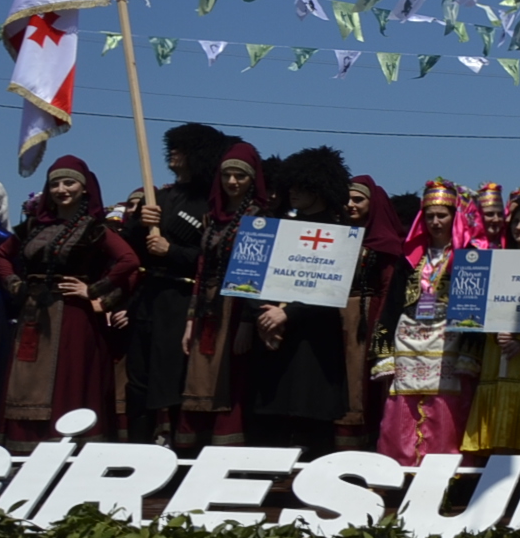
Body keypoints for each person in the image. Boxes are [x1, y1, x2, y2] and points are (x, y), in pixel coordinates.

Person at [0, 156, 139, 449]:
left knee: (68, 380)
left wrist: (93, 290)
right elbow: (0, 256)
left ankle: (66, 448)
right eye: (55, 183)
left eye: (69, 182)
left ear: (84, 188)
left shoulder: (94, 229)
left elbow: (129, 260)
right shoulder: (32, 226)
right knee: (25, 377)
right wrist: (16, 285)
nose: (61, 189)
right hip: (33, 313)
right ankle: (23, 448)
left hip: (73, 316)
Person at [125, 123, 227, 447]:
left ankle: (175, 443)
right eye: (171, 146)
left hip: (182, 297)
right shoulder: (159, 198)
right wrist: (140, 226)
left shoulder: (210, 202)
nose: (172, 153)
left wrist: (174, 251)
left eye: (180, 148)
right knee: (137, 377)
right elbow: (129, 249)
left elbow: (213, 254)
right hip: (147, 297)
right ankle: (137, 445)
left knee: (171, 376)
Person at [249, 146, 355, 457]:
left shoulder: (341, 233)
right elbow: (250, 275)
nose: (292, 191)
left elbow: (332, 288)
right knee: (270, 418)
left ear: (319, 188)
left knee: (312, 417)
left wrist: (288, 314)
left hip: (314, 339)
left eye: (301, 186)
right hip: (271, 335)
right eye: (290, 185)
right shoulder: (276, 227)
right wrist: (263, 314)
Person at [375, 179, 485, 464]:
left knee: (447, 408)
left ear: (454, 216)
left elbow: (476, 308)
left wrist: (470, 351)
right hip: (408, 340)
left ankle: (447, 475)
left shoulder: (468, 258)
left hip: (448, 341)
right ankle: (400, 470)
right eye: (430, 215)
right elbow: (393, 304)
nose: (436, 221)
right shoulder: (410, 258)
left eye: (442, 215)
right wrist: (383, 347)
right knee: (403, 410)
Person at [179, 144, 268, 449]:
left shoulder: (260, 218)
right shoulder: (211, 218)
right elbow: (201, 269)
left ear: (252, 179)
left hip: (237, 307)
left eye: (240, 176)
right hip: (207, 306)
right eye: (227, 175)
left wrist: (247, 321)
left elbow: (256, 273)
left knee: (232, 378)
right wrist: (191, 319)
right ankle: (194, 445)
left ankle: (228, 445)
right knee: (200, 373)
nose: (233, 182)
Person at [340, 174, 409, 450]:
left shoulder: (386, 244)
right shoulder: (337, 237)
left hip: (367, 322)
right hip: (337, 320)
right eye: (347, 199)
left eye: (358, 199)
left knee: (362, 384)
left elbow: (387, 291)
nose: (350, 205)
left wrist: (380, 339)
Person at [475, 183, 509, 249]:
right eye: (490, 214)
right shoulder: (467, 245)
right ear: (478, 216)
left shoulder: (510, 244)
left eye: (500, 214)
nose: (496, 219)